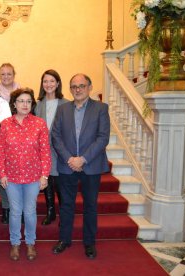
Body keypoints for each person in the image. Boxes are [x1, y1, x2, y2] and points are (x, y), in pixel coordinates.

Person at [51, 74, 110, 259]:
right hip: (67, 165)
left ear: (90, 87)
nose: (78, 89)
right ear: (70, 89)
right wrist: (70, 158)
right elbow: (56, 136)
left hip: (91, 165)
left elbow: (103, 138)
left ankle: (90, 243)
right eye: (74, 86)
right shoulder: (62, 109)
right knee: (66, 205)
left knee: (90, 206)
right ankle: (64, 239)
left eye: (82, 86)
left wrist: (82, 159)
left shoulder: (101, 108)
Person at [0, 88, 51, 261]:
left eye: (28, 101)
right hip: (11, 177)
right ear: (14, 104)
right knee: (14, 211)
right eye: (21, 101)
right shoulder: (5, 124)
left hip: (33, 177)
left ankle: (30, 243)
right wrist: (1, 174)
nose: (25, 104)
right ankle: (14, 243)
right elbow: (0, 152)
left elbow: (45, 152)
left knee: (29, 211)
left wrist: (45, 175)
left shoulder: (39, 123)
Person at [0, 63, 21, 224]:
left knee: (18, 174)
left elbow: (29, 114)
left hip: (19, 141)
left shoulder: (22, 93)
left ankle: (18, 208)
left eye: (9, 74)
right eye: (3, 74)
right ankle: (6, 209)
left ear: (14, 75)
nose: (6, 76)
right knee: (3, 174)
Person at [35, 69, 68, 225]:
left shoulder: (67, 104)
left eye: (52, 81)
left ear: (58, 83)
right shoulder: (38, 105)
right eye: (45, 81)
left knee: (60, 184)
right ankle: (50, 212)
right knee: (46, 181)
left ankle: (64, 213)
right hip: (42, 151)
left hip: (60, 151)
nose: (48, 84)